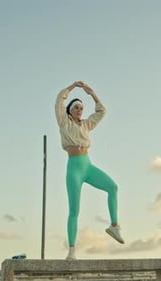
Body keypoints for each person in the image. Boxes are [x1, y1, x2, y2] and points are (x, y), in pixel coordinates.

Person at [55, 81, 125, 260]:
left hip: (88, 166)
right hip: (74, 169)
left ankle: (114, 226)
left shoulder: (86, 124)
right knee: (74, 211)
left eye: (81, 108)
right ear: (70, 110)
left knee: (113, 187)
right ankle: (71, 250)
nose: (79, 110)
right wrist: (71, 88)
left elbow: (102, 111)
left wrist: (92, 93)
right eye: (76, 107)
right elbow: (58, 102)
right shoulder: (64, 122)